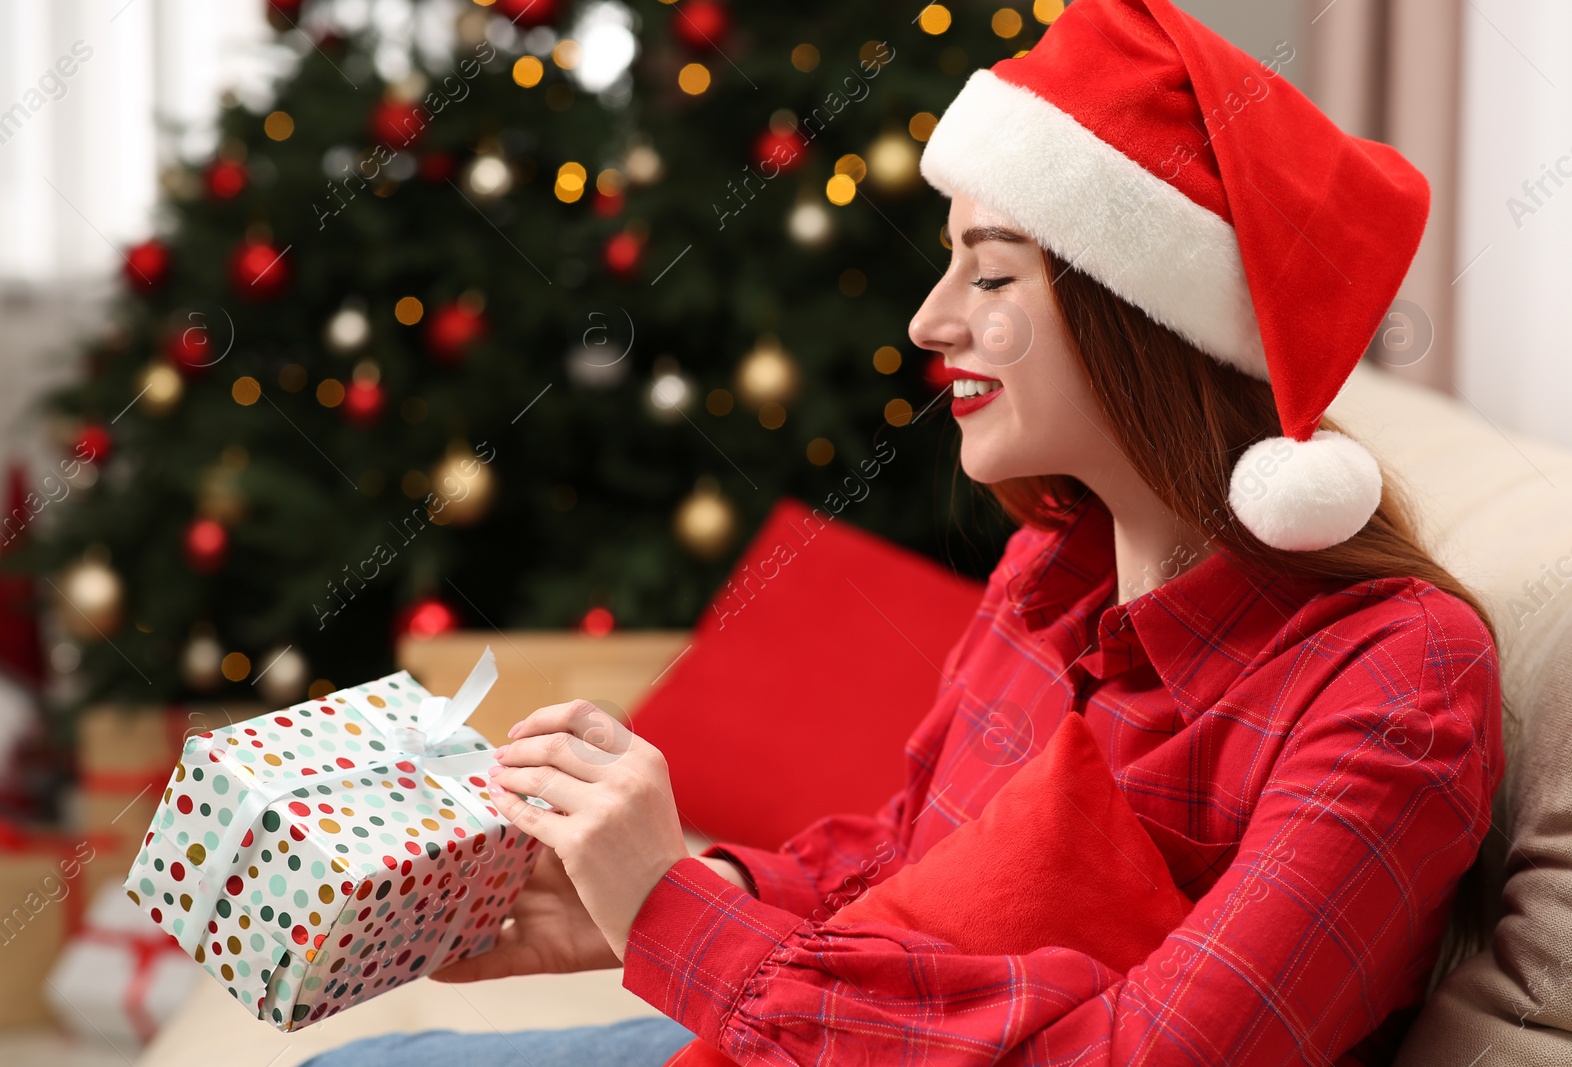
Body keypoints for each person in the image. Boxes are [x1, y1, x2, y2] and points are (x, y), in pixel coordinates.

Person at [302, 0, 1504, 1063]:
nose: (931, 322)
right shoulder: (1050, 566)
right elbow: (899, 862)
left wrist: (677, 917)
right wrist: (666, 893)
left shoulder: (1396, 677)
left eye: (991, 276)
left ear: (1141, 314)